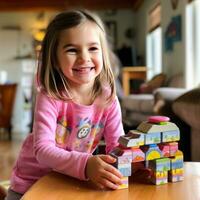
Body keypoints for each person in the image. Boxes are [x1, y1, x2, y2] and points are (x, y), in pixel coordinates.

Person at [5, 9, 125, 200]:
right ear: (54, 60)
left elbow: (117, 145)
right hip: (31, 183)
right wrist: (86, 165)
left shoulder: (108, 97)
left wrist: (130, 162)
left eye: (93, 48)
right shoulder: (50, 96)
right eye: (72, 50)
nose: (84, 58)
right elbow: (43, 151)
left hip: (72, 181)